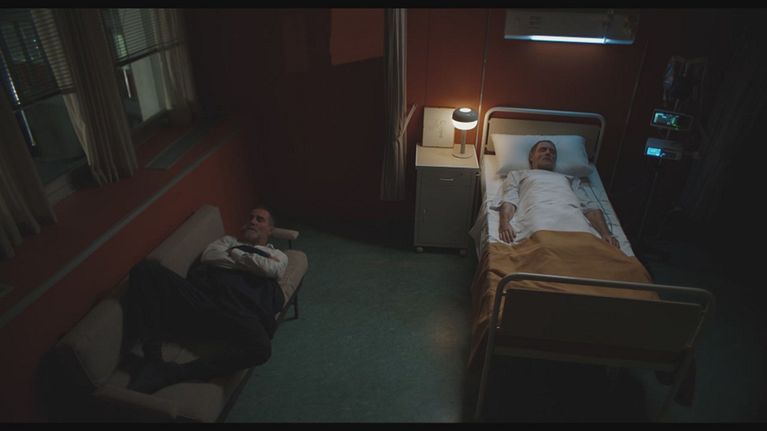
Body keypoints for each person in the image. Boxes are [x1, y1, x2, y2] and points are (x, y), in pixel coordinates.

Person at [123, 206, 289, 394]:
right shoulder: (227, 241)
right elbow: (210, 257)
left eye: (260, 219)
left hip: (241, 313)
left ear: (270, 230)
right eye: (250, 217)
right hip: (206, 301)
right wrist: (251, 261)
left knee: (262, 349)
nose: (252, 221)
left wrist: (236, 252)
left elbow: (271, 269)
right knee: (145, 269)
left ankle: (174, 373)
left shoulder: (277, 254)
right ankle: (152, 360)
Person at [496, 140, 619, 248]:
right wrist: (504, 224)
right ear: (531, 157)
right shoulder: (518, 174)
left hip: (573, 219)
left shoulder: (570, 179)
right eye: (543, 150)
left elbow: (589, 207)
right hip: (538, 216)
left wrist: (606, 233)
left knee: (585, 248)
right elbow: (509, 200)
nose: (548, 153)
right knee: (542, 244)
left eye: (552, 151)